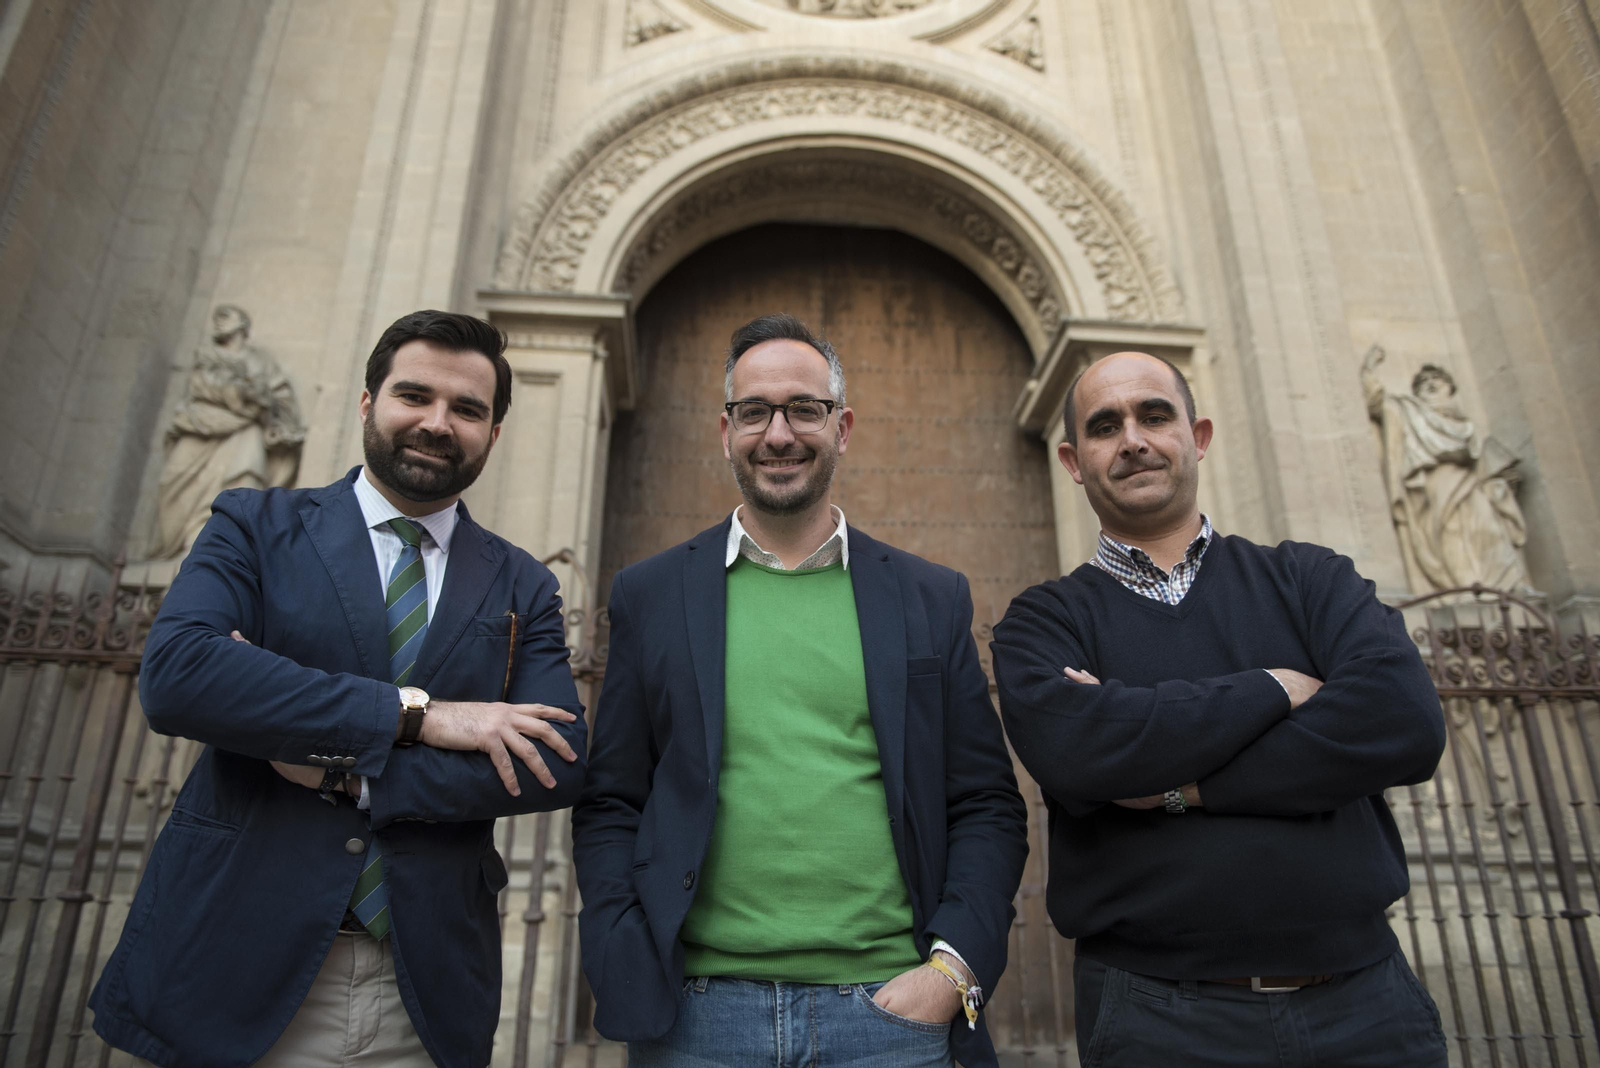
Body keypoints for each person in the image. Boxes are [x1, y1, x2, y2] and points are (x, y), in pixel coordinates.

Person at [90, 310, 588, 1068]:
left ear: (494, 432)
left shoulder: (525, 583)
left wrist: (344, 775)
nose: (436, 423)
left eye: (467, 409)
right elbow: (181, 675)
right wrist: (417, 717)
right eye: (413, 396)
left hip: (420, 994)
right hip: (226, 964)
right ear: (366, 404)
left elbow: (557, 755)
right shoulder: (255, 524)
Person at [572, 313, 1029, 1068]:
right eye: (754, 411)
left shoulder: (928, 596)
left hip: (890, 1018)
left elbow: (984, 801)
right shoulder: (651, 594)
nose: (778, 433)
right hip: (698, 1021)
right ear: (726, 430)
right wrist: (624, 942)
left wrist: (952, 973)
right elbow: (614, 799)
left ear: (841, 426)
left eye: (803, 410)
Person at [990, 351, 1449, 1067]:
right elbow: (1076, 751)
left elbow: (1404, 722)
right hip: (1158, 1018)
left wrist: (1183, 787)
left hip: (1364, 1006)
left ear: (1197, 437)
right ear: (1075, 462)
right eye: (1106, 426)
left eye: (1155, 415)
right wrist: (1275, 687)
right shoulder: (1044, 621)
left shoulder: (1310, 579)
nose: (1134, 439)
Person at [1361, 343, 1530, 592]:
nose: (1429, 383)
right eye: (1422, 382)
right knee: (1449, 533)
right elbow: (1377, 401)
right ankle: (1468, 588)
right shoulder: (1409, 409)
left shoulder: (1463, 423)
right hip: (1435, 484)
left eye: (1436, 379)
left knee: (1488, 529)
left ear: (1450, 387)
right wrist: (1369, 368)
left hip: (1470, 484)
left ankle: (1505, 586)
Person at [153, 304, 306, 559]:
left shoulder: (260, 362)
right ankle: (180, 544)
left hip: (246, 433)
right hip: (200, 423)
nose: (219, 322)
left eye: (226, 317)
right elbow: (201, 386)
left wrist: (266, 408)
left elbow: (280, 399)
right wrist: (239, 396)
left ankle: (219, 549)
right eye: (216, 318)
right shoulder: (205, 355)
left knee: (241, 485)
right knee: (175, 479)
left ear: (243, 325)